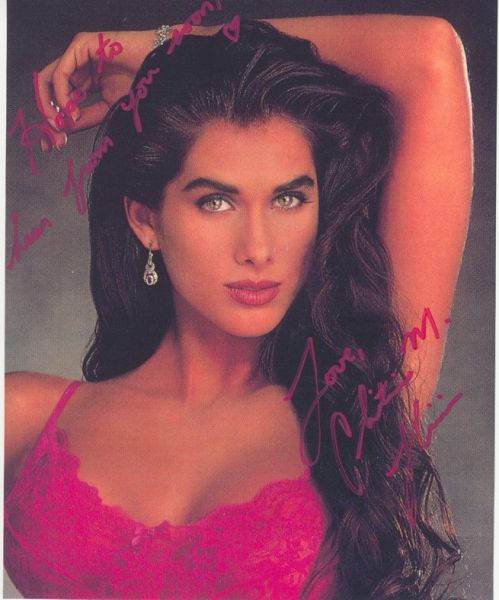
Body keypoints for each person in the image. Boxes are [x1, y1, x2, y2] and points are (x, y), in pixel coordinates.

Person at [4, 15, 472, 600]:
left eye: (288, 198)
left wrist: (158, 47)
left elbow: (428, 54)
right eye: (216, 202)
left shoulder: (364, 401)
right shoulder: (23, 417)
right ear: (146, 220)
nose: (258, 248)